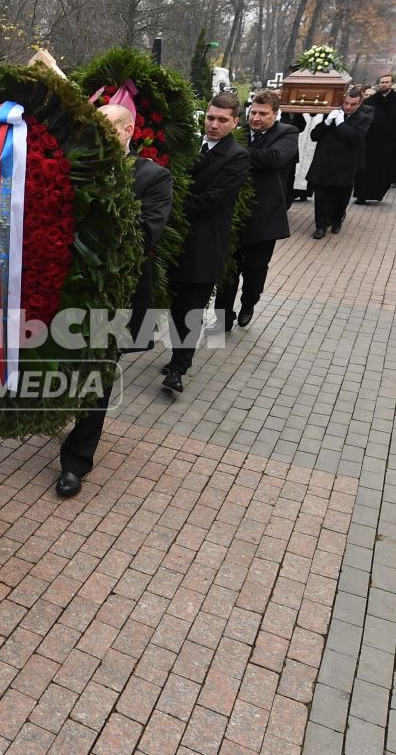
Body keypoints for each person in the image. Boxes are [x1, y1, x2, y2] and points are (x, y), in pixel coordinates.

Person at [54, 102, 175, 497]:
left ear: (128, 132)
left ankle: (76, 460)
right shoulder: (75, 167)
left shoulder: (153, 177)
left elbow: (145, 232)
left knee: (100, 371)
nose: (99, 136)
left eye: (108, 129)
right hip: (68, 288)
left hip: (116, 292)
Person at [159, 91, 250, 396]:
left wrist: (166, 204)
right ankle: (175, 354)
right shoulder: (188, 147)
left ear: (234, 122)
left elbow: (212, 201)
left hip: (205, 242)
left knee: (192, 307)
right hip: (176, 241)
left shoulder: (237, 156)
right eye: (210, 118)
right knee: (174, 304)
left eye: (222, 120)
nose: (214, 125)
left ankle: (178, 368)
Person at [215, 90, 298, 330]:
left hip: (265, 217)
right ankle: (224, 316)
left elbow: (274, 158)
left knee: (254, 270)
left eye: (263, 113)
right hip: (233, 214)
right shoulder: (238, 133)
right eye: (253, 112)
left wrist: (233, 153)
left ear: (276, 114)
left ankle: (249, 302)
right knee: (228, 269)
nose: (257, 118)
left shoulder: (287, 133)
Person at [307, 85, 369, 236]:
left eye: (353, 104)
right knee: (321, 198)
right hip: (325, 164)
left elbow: (356, 138)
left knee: (341, 198)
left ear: (359, 104)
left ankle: (336, 220)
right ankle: (320, 226)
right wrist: (327, 123)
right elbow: (314, 136)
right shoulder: (333, 114)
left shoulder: (364, 119)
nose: (348, 107)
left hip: (344, 166)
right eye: (346, 103)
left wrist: (341, 124)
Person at [354, 73, 396, 201]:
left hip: (388, 142)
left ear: (392, 83)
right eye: (382, 82)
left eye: (386, 82)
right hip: (370, 141)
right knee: (365, 169)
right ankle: (361, 195)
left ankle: (377, 194)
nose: (383, 84)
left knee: (383, 170)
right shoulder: (371, 99)